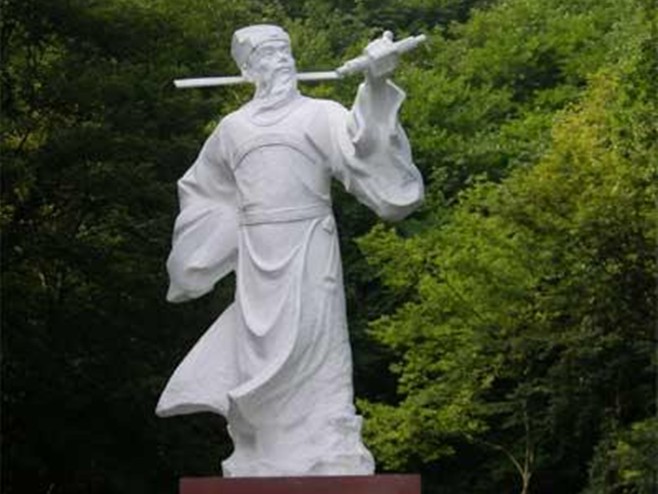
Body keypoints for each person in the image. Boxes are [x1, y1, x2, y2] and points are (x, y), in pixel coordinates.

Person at [156, 24, 424, 477]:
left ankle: (329, 445)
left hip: (310, 247)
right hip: (257, 256)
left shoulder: (320, 114)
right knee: (258, 350)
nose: (281, 59)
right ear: (247, 70)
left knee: (317, 344)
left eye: (284, 51)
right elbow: (204, 192)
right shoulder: (231, 129)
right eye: (267, 54)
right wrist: (207, 249)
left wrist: (376, 82)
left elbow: (362, 146)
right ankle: (264, 447)